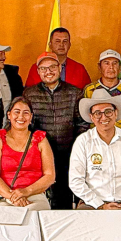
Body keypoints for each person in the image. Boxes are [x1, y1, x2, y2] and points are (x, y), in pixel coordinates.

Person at [23, 53, 85, 208]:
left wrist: (77, 149)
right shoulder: (29, 94)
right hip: (39, 156)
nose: (48, 71)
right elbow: (25, 126)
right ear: (38, 71)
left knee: (64, 198)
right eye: (43, 68)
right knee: (39, 199)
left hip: (69, 154)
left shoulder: (75, 93)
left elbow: (82, 124)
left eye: (52, 67)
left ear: (59, 68)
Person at [69, 88, 121, 209]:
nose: (103, 117)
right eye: (97, 113)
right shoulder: (83, 142)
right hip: (91, 204)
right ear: (91, 117)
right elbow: (75, 181)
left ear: (116, 113)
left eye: (108, 111)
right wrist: (100, 205)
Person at [0, 97, 55, 210]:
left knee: (31, 214)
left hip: (35, 196)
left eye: (26, 113)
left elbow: (50, 176)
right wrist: (13, 197)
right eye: (16, 112)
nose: (21, 117)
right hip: (6, 196)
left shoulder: (40, 139)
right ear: (9, 115)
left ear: (31, 117)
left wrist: (26, 191)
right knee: (2, 215)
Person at [82, 49, 121, 131]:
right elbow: (85, 119)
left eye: (115, 63)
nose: (111, 67)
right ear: (99, 67)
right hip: (97, 137)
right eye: (106, 63)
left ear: (120, 67)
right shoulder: (89, 90)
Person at [25, 27, 92, 89]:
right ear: (50, 44)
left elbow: (87, 95)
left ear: (69, 45)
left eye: (65, 41)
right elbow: (28, 94)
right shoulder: (36, 68)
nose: (61, 45)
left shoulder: (79, 69)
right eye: (57, 41)